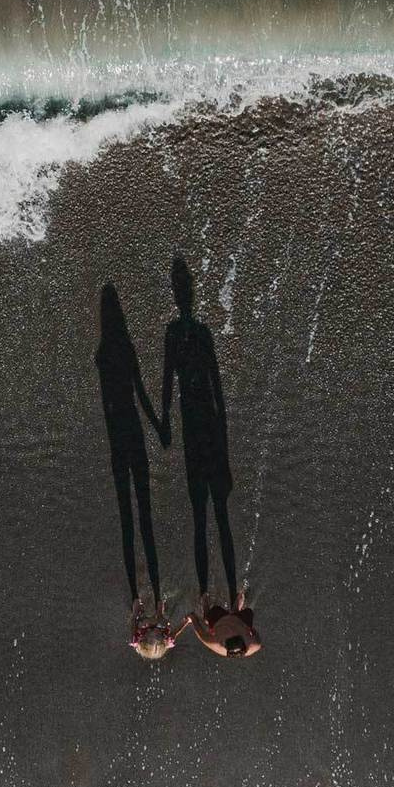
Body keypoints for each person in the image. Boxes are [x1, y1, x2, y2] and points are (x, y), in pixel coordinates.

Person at [95, 283, 172, 653]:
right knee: (134, 517)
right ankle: (146, 595)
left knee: (140, 517)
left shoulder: (114, 350)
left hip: (122, 429)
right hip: (121, 429)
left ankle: (152, 595)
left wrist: (157, 426)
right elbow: (138, 391)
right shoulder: (111, 351)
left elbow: (137, 390)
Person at [161, 256, 241, 610]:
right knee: (215, 513)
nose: (185, 295)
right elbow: (216, 388)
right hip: (204, 423)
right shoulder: (194, 332)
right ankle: (224, 594)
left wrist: (164, 420)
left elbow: (169, 382)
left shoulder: (175, 333)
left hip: (195, 423)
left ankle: (209, 596)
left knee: (205, 514)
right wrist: (223, 439)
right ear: (188, 295)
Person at [187, 591, 262, 659]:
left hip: (220, 620)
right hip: (240, 620)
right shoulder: (254, 644)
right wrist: (244, 626)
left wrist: (193, 618)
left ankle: (205, 600)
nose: (231, 629)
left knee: (207, 619)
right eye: (235, 633)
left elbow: (200, 634)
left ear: (223, 643)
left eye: (228, 633)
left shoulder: (214, 643)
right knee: (239, 611)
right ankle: (238, 604)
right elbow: (255, 632)